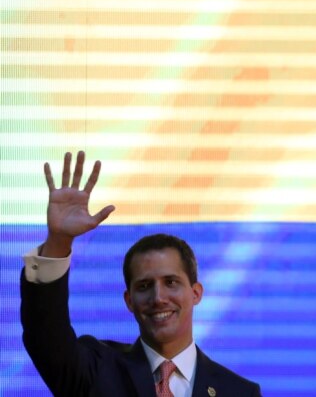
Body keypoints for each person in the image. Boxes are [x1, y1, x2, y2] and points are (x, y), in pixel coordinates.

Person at [21, 151, 262, 397]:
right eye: (145, 286)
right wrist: (59, 241)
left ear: (196, 293)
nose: (159, 297)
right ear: (129, 301)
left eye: (171, 282)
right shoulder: (95, 370)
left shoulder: (240, 392)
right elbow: (45, 336)